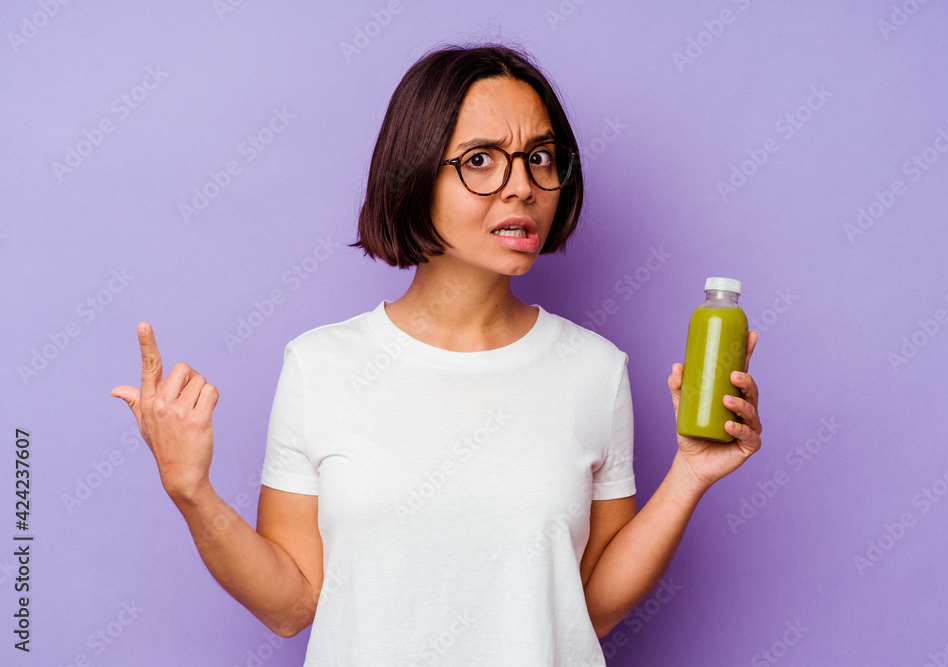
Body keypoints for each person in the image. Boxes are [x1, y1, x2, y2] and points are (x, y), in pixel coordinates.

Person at [110, 41, 762, 666]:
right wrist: (192, 491)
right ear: (414, 174)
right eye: (480, 159)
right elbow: (292, 605)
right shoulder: (320, 365)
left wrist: (689, 474)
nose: (522, 185)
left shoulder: (595, 370)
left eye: (540, 157)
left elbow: (585, 609)